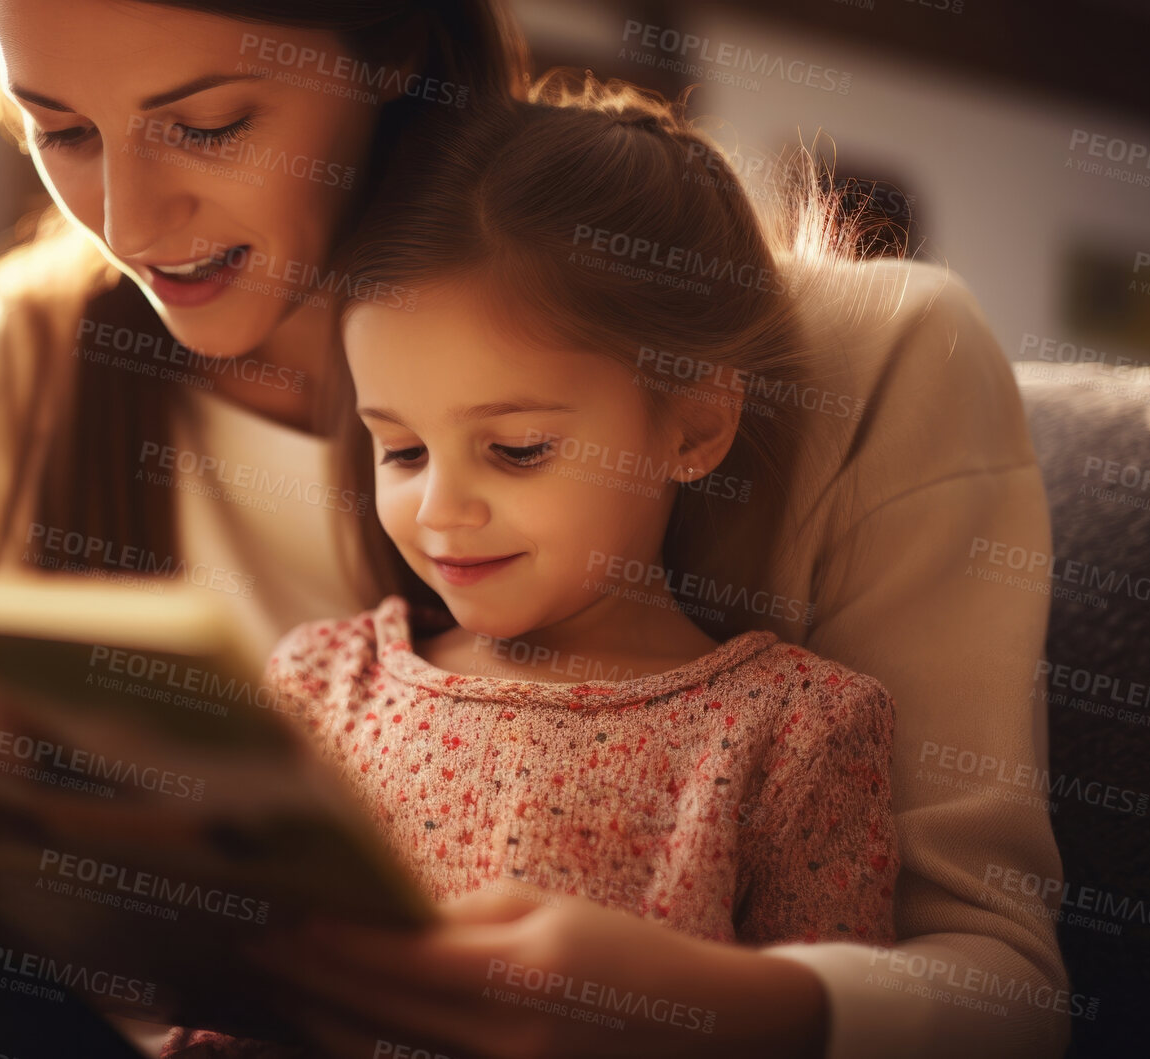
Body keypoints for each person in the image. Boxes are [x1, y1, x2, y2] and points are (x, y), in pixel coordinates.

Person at [0, 2, 1068, 1056]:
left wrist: (722, 1008)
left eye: (205, 122)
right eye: (61, 132)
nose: (127, 220)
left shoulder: (853, 372)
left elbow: (1000, 997)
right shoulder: (33, 361)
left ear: (387, 47)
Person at [163, 74, 904, 1057]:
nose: (439, 512)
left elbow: (817, 1030)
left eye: (515, 450)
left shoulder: (790, 732)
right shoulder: (321, 687)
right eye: (400, 451)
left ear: (694, 423)